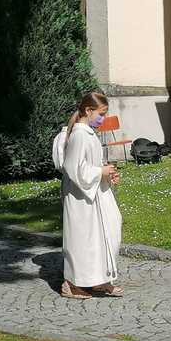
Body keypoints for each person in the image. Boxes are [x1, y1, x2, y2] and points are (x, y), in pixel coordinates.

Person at [60, 91, 123, 300]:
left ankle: (98, 278)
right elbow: (74, 168)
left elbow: (90, 163)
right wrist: (100, 172)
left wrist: (107, 173)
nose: (103, 119)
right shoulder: (79, 135)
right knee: (83, 239)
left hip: (95, 192)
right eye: (101, 114)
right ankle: (72, 283)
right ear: (88, 110)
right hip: (81, 198)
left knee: (107, 231)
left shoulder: (88, 133)